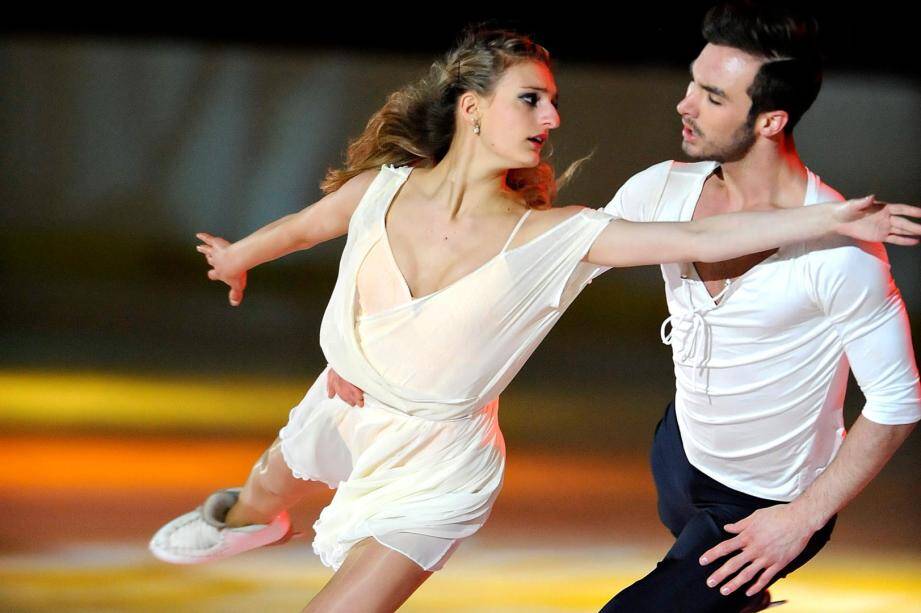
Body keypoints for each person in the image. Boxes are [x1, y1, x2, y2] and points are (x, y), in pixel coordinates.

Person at [149, 27, 920, 613]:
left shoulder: (559, 237)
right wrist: (241, 256)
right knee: (265, 482)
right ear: (471, 108)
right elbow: (311, 225)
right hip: (657, 455)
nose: (553, 116)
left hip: (462, 468)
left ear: (771, 117)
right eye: (532, 98)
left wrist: (828, 223)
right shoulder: (392, 189)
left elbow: (692, 241)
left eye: (709, 96)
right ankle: (243, 516)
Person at [589, 3, 921, 612]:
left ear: (771, 120)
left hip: (762, 507)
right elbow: (552, 275)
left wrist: (800, 520)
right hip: (677, 455)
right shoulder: (659, 189)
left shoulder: (842, 250)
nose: (685, 104)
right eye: (693, 82)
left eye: (712, 97)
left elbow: (898, 405)